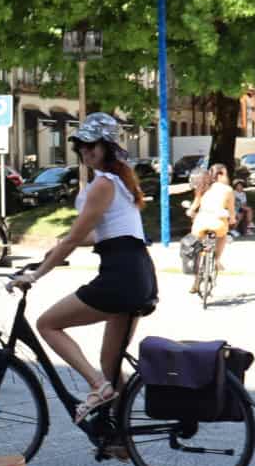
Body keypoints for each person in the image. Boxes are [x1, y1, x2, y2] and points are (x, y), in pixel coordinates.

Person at [9, 113, 156, 423]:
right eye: (81, 147)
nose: (86, 152)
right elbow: (95, 235)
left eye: (92, 145)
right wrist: (52, 251)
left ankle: (97, 386)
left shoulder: (104, 184)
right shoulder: (122, 181)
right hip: (140, 276)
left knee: (47, 324)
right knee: (109, 361)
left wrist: (36, 274)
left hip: (120, 279)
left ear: (108, 147)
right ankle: (119, 437)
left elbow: (75, 237)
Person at [186, 164, 234, 293]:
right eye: (225, 174)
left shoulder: (203, 187)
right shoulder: (227, 189)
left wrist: (190, 211)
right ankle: (217, 260)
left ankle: (196, 282)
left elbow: (195, 204)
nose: (227, 177)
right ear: (220, 175)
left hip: (201, 223)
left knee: (197, 251)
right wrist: (233, 219)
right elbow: (231, 210)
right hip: (218, 223)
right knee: (223, 236)